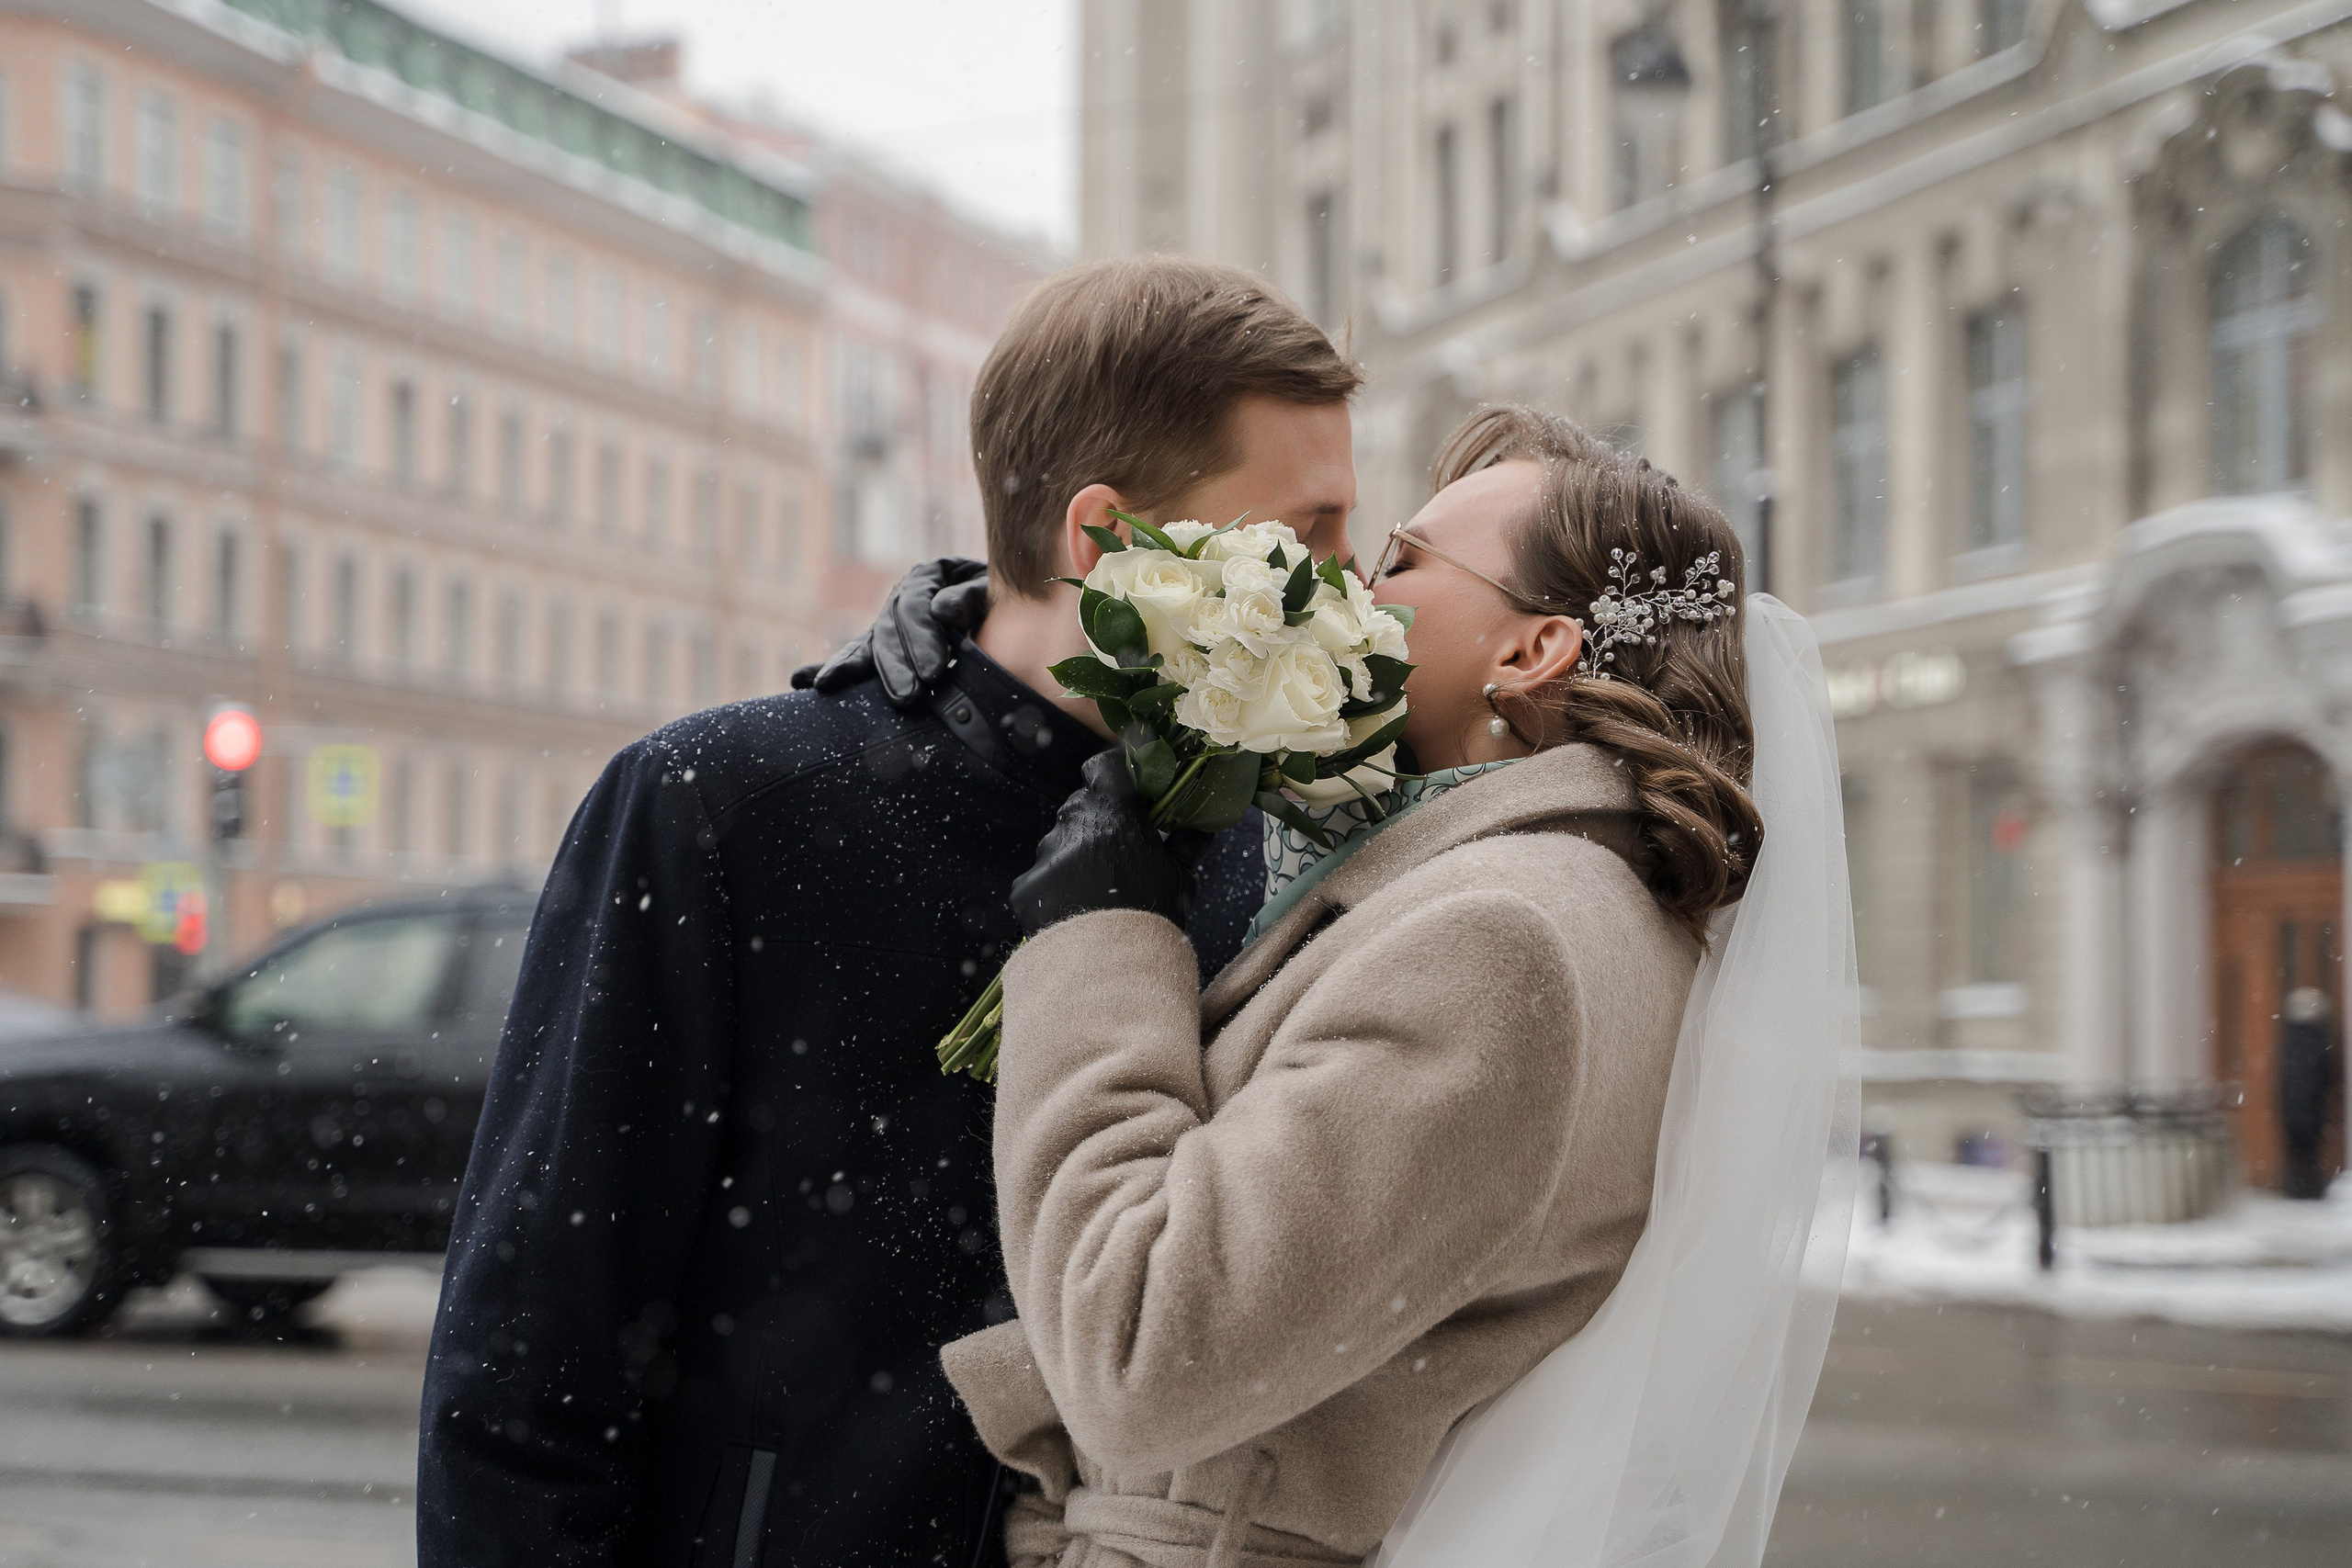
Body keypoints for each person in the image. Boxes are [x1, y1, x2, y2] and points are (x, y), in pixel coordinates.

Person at [415, 256, 1361, 1568]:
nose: (1347, 584)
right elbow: (530, 1350)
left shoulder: (1255, 846)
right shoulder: (721, 803)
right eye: (1304, 537)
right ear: (1104, 543)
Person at [942, 406, 1857, 1568]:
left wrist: (1096, 933)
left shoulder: (1501, 941)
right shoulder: (1564, 901)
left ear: (1532, 651)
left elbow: (1141, 1351)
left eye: (1402, 563)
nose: (1350, 593)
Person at [2278, 987, 2337, 1200]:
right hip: (2308, 1106)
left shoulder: (2292, 1037)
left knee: (2298, 1150)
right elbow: (2322, 1074)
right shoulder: (2314, 1038)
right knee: (2307, 1150)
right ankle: (2306, 1187)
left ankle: (2299, 1186)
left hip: (2295, 1106)